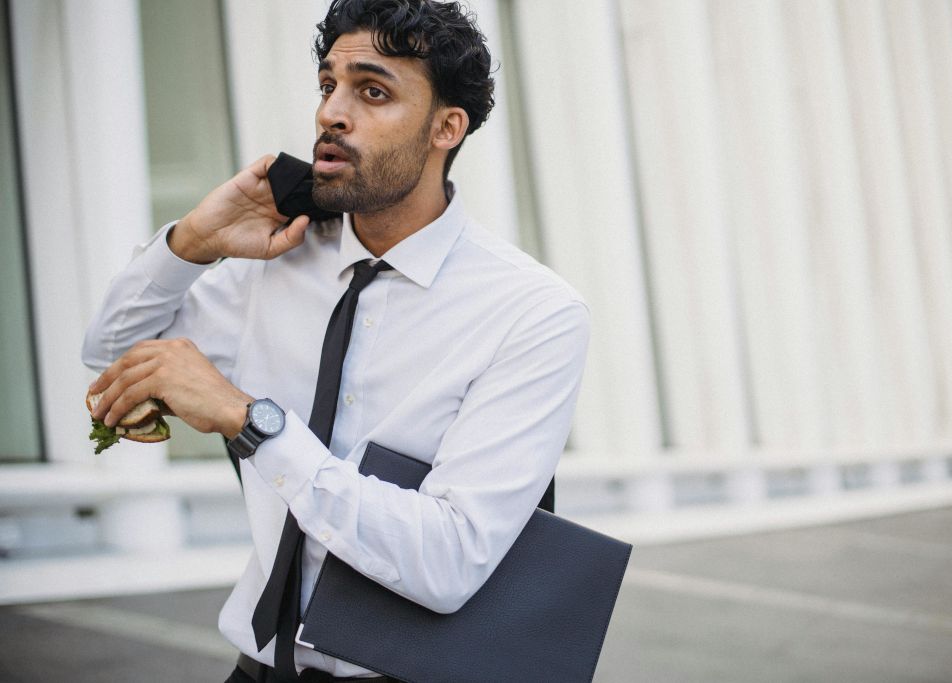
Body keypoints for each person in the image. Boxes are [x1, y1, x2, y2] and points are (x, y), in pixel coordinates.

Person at [82, 0, 589, 680]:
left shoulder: (532, 312)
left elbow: (448, 560)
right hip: (256, 668)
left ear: (447, 127)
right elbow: (116, 348)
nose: (331, 112)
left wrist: (250, 419)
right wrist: (193, 242)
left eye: (372, 91)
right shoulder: (277, 264)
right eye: (328, 85)